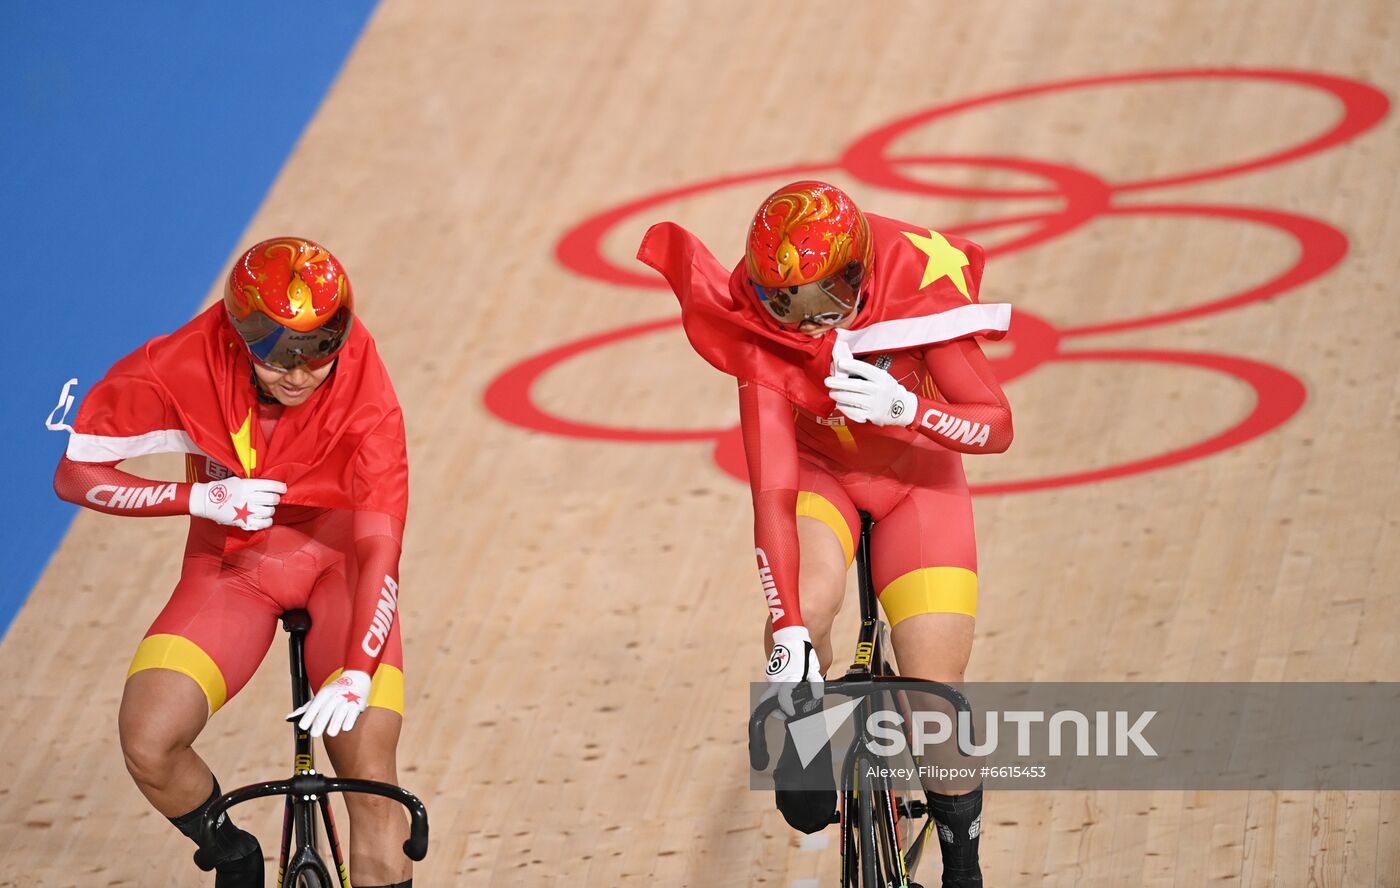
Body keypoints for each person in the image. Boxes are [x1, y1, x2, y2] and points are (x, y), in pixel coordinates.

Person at [639, 181, 1014, 887]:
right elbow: (773, 495)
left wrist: (909, 408)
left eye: (821, 304)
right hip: (823, 479)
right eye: (785, 304)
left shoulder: (914, 289)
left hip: (918, 484)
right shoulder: (761, 329)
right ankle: (804, 738)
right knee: (807, 611)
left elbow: (997, 425)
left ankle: (964, 861)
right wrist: (786, 633)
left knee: (934, 686)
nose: (805, 325)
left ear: (860, 275)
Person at [50, 237, 413, 888]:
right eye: (280, 356)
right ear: (238, 334)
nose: (301, 375)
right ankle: (233, 855)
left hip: (341, 563)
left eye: (320, 350)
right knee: (148, 740)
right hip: (234, 567)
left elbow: (381, 546)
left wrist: (358, 672)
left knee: (372, 786)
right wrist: (201, 498)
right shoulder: (182, 360)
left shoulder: (365, 386)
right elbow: (75, 474)